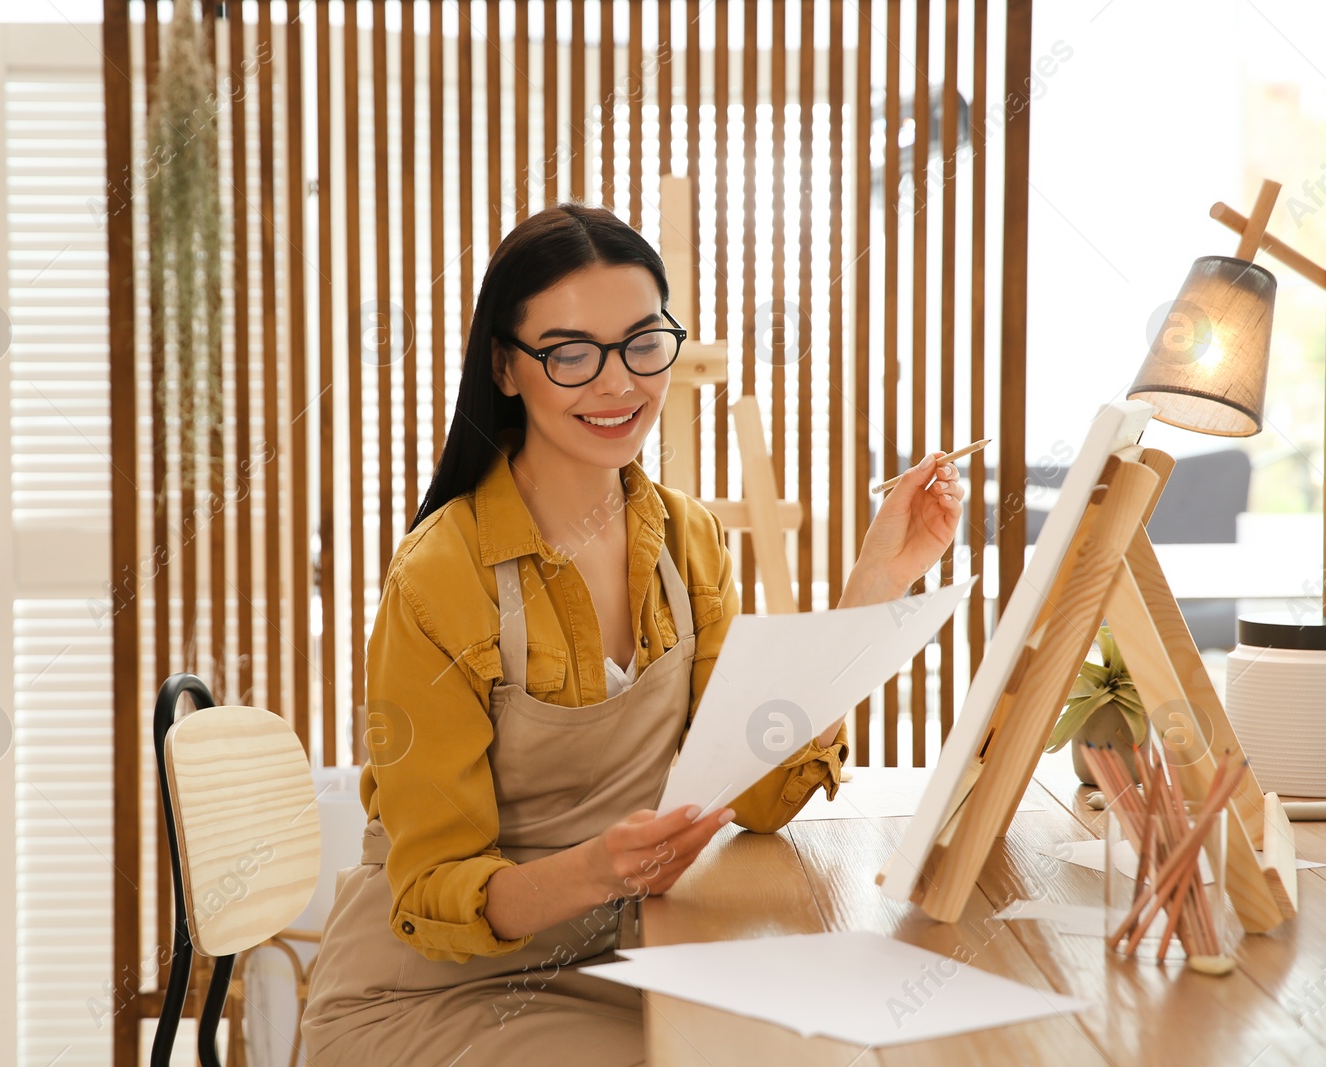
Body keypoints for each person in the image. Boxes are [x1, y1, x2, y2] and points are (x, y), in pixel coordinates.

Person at [301, 203, 964, 1066]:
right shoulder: (439, 577)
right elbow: (430, 893)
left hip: (617, 959)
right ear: (506, 367)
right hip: (434, 997)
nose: (619, 384)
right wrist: (598, 871)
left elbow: (760, 795)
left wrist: (876, 582)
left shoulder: (689, 542)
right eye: (571, 353)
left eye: (643, 343)